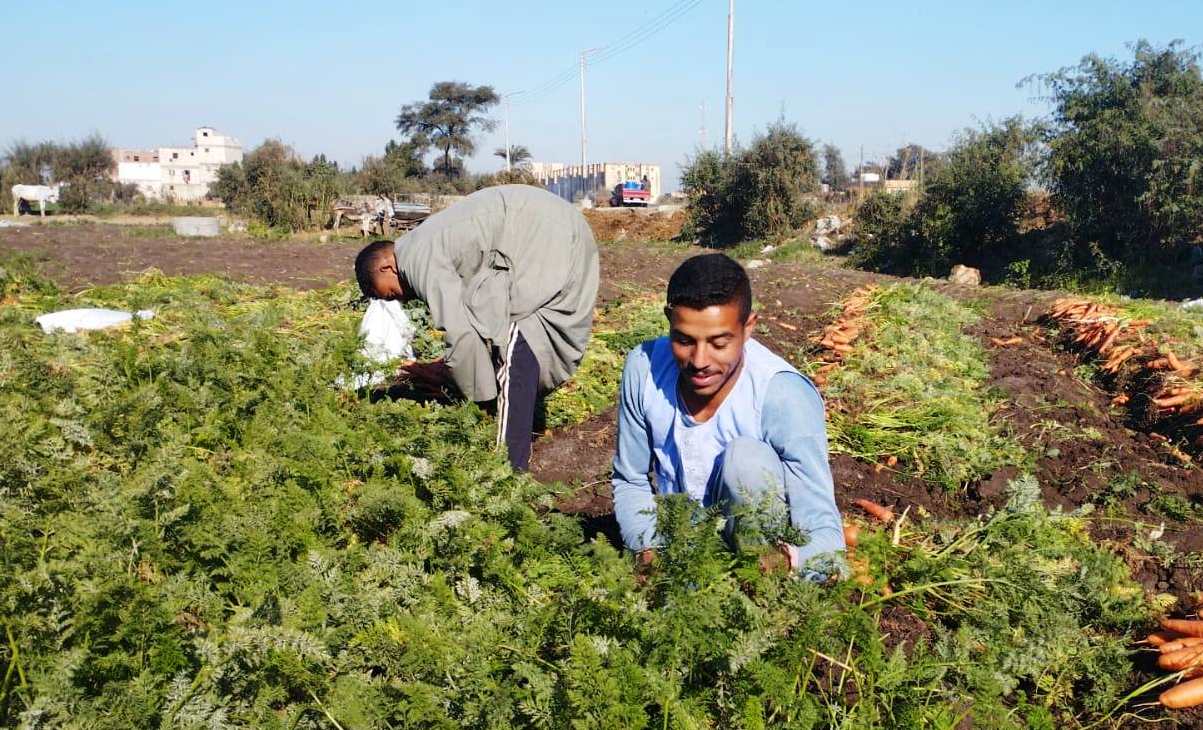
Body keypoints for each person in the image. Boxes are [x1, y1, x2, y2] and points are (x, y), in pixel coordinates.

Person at [612, 253, 846, 576]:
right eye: (684, 341)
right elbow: (630, 479)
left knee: (745, 462)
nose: (699, 361)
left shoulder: (782, 396)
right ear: (669, 320)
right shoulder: (644, 370)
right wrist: (648, 551)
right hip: (678, 550)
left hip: (758, 562)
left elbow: (826, 538)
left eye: (719, 343)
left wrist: (775, 566)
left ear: (748, 327)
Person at [354, 184, 598, 471]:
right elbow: (478, 315)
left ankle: (506, 476)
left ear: (387, 268)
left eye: (392, 294)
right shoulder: (425, 241)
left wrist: (472, 400)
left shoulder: (416, 258)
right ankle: (512, 448)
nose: (403, 300)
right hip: (560, 230)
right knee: (522, 344)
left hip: (541, 237)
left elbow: (462, 334)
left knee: (518, 349)